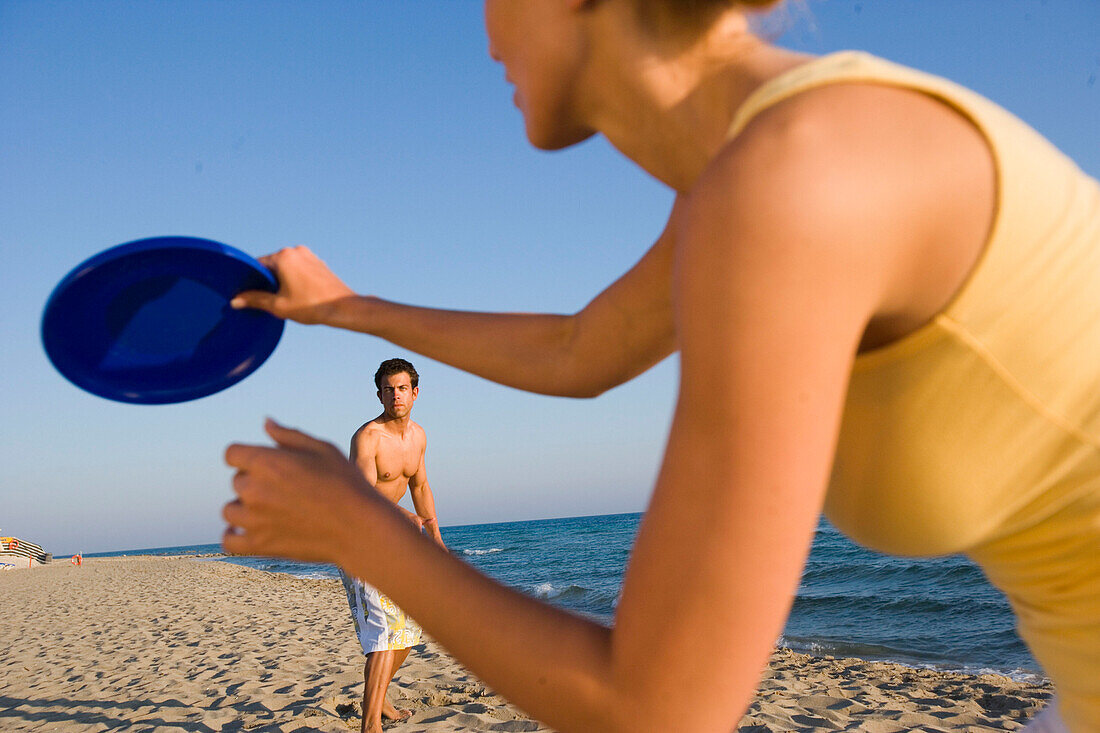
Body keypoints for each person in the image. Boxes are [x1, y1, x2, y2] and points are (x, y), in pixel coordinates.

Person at [221, 2, 1099, 730]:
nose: (483, 33)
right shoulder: (767, 156)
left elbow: (656, 708)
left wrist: (359, 529)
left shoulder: (793, 180)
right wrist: (345, 309)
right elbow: (579, 349)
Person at [338, 358, 445, 733]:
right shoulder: (367, 437)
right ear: (379, 394)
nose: (395, 395)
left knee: (409, 630)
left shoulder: (419, 437)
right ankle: (371, 724)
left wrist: (435, 538)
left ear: (415, 393)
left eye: (402, 388)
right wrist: (401, 516)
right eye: (388, 389)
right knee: (384, 634)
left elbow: (420, 486)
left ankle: (378, 699)